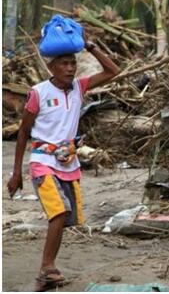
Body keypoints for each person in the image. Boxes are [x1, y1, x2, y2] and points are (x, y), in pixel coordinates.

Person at [7, 34, 120, 291]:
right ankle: (46, 268)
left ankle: (47, 273)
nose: (70, 68)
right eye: (64, 64)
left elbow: (113, 70)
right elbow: (23, 132)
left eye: (72, 63)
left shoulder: (80, 87)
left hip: (68, 163)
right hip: (42, 161)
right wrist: (17, 173)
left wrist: (90, 45)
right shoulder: (38, 93)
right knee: (58, 212)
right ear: (51, 67)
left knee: (66, 217)